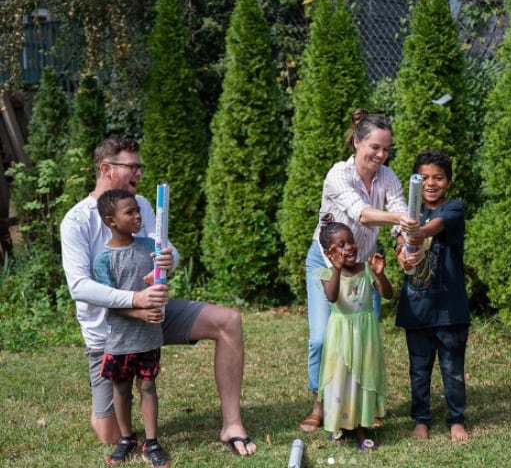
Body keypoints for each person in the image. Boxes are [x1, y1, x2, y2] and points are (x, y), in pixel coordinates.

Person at [60, 136, 256, 457]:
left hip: (155, 319)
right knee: (108, 435)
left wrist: (169, 258)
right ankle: (108, 411)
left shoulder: (143, 206)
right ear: (106, 169)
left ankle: (232, 424)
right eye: (131, 166)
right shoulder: (77, 221)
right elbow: (79, 286)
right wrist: (135, 301)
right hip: (110, 333)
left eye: (140, 166)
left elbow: (164, 246)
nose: (138, 172)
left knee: (229, 321)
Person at [300, 108, 420, 432]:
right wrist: (400, 220)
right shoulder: (338, 175)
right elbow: (363, 214)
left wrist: (404, 247)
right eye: (375, 147)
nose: (381, 155)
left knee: (365, 342)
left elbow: (399, 220)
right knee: (322, 340)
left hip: (364, 270)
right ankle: (319, 403)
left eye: (386, 149)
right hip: (326, 266)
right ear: (357, 142)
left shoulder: (389, 177)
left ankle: (365, 406)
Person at [395, 150, 470, 442]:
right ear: (415, 180)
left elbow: (432, 228)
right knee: (419, 369)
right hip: (416, 308)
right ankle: (421, 420)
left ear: (448, 182)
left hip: (450, 309)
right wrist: (403, 253)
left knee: (452, 369)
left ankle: (456, 419)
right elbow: (401, 245)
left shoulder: (453, 208)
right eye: (424, 177)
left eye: (438, 177)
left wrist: (418, 231)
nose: (431, 183)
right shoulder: (405, 212)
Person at [94, 189, 171, 466]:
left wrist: (166, 267)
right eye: (130, 212)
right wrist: (139, 312)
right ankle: (127, 437)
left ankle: (152, 442)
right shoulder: (104, 259)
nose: (138, 216)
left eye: (138, 210)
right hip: (121, 339)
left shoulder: (151, 248)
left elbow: (161, 279)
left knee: (148, 385)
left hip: (150, 337)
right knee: (122, 387)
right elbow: (108, 300)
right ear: (111, 220)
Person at [316, 222, 391, 451]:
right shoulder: (326, 273)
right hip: (340, 336)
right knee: (341, 378)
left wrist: (380, 274)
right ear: (329, 252)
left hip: (365, 335)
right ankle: (341, 424)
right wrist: (336, 268)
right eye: (341, 245)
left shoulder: (367, 269)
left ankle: (361, 426)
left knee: (361, 377)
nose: (349, 247)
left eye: (351, 242)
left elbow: (388, 294)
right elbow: (331, 296)